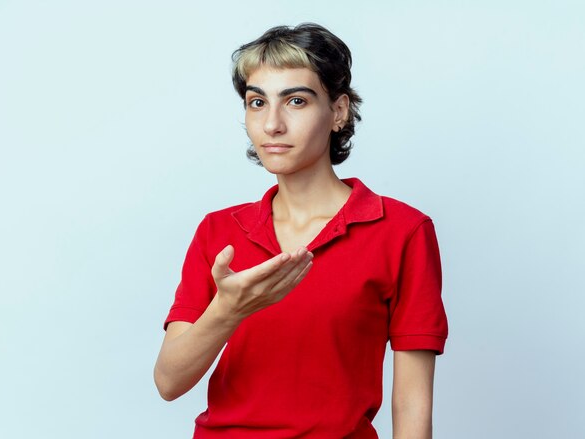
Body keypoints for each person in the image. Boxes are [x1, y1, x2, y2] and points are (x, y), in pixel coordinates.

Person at [154, 23, 448, 439]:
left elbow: (412, 404)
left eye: (295, 100)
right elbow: (169, 382)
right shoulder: (219, 230)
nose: (272, 124)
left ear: (339, 111)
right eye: (257, 102)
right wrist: (229, 309)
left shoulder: (403, 231)